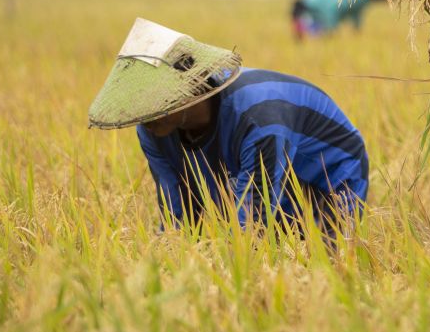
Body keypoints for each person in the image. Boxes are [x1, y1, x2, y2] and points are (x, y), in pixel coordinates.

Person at [89, 18, 368, 234]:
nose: (146, 118)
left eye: (155, 101)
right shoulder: (152, 128)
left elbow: (253, 219)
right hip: (255, 170)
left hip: (325, 176)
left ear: (190, 88)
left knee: (315, 256)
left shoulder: (257, 118)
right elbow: (176, 206)